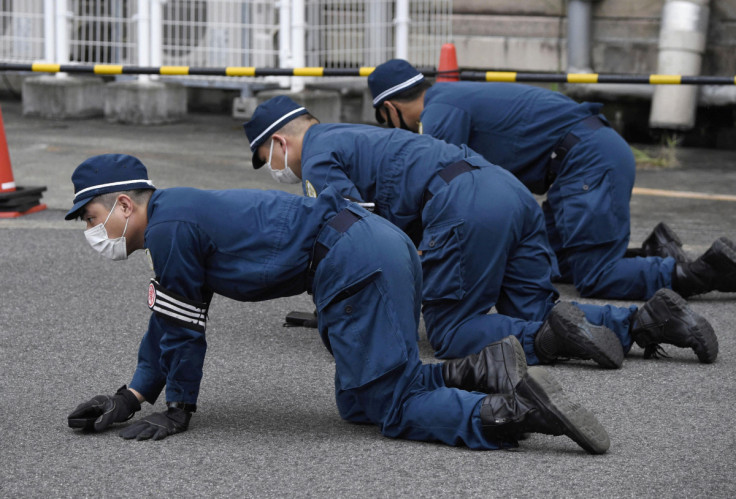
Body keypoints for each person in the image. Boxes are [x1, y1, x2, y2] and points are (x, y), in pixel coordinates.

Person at [64, 153, 612, 453]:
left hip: (352, 259)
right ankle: (480, 368)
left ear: (120, 203)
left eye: (90, 218)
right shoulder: (176, 216)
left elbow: (184, 333)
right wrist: (130, 396)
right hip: (370, 244)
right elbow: (170, 318)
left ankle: (516, 413)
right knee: (357, 401)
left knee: (389, 407)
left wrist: (179, 408)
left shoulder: (172, 227)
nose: (91, 232)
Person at [244, 96, 719, 368]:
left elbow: (353, 234)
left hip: (463, 205)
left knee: (452, 332)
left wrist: (339, 309)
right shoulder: (353, 135)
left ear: (280, 141)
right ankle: (647, 321)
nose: (275, 170)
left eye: (268, 159)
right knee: (534, 307)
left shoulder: (319, 153)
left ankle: (555, 340)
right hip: (507, 191)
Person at [366, 59, 736, 301]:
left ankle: (702, 272)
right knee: (544, 261)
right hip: (580, 161)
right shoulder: (450, 96)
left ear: (389, 109)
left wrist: (408, 243)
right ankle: (657, 251)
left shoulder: (440, 112)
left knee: (596, 276)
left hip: (586, 162)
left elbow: (439, 192)